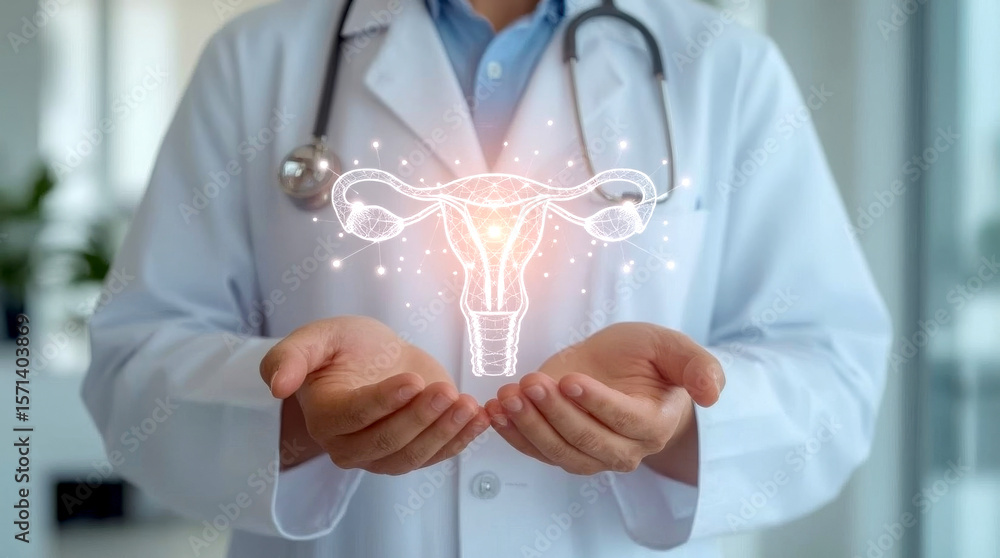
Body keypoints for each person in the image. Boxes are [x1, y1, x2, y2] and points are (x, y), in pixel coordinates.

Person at [82, 0, 892, 556]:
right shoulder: (260, 59)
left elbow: (833, 370)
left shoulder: (721, 67)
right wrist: (297, 416)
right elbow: (135, 364)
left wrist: (680, 426)